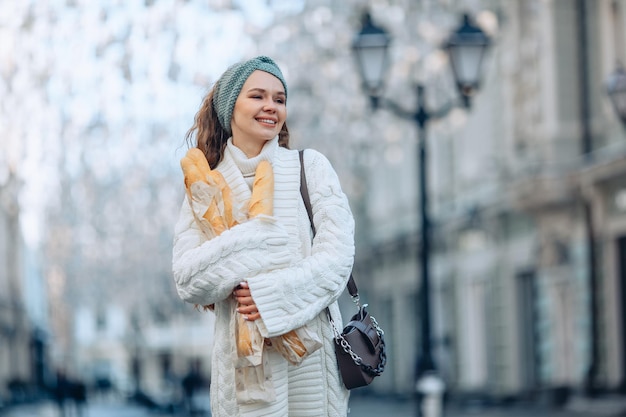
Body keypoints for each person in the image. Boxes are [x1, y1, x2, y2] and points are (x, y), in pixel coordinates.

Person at [172, 55, 355, 416]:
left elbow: (337, 258)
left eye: (279, 99)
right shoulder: (205, 188)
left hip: (312, 369)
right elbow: (187, 278)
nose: (271, 106)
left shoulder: (310, 167)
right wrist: (263, 241)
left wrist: (268, 296)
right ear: (230, 108)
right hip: (241, 380)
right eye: (258, 96)